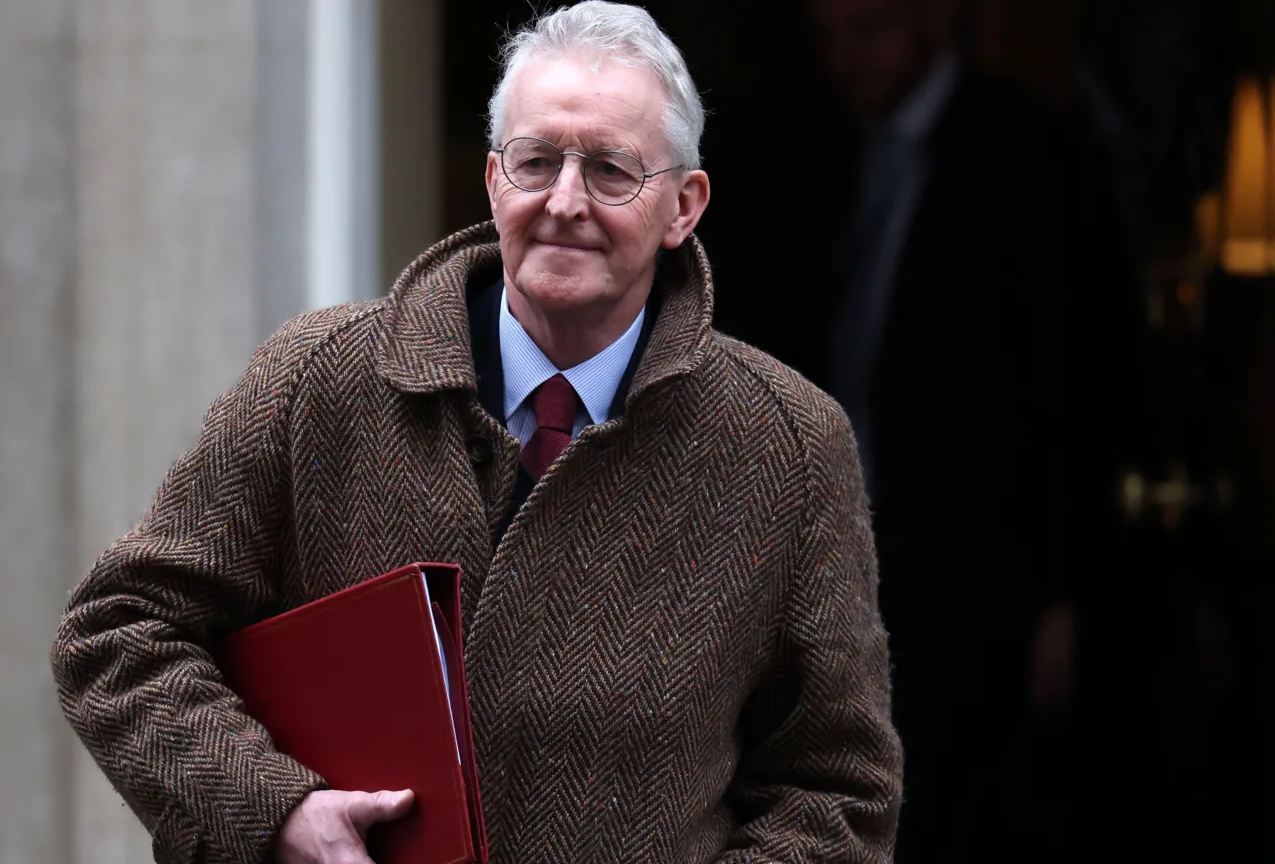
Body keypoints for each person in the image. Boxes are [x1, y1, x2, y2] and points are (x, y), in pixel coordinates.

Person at [50, 3, 903, 862]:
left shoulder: (785, 445)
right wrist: (277, 812)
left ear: (684, 205)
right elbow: (120, 633)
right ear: (495, 181)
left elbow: (836, 792)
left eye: (610, 170)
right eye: (536, 162)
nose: (565, 202)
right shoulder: (318, 381)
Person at [704, 0, 1135, 859]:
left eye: (870, 31)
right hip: (831, 535)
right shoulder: (807, 149)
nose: (849, 59)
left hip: (978, 555)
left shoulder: (1029, 151)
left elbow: (1077, 384)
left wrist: (1065, 592)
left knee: (961, 795)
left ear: (930, 19)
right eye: (830, 38)